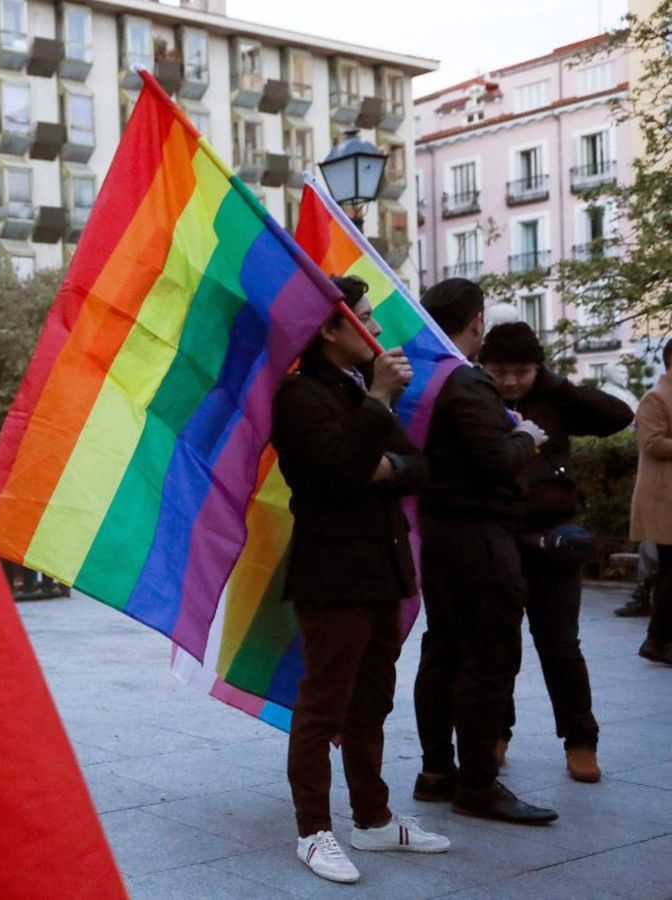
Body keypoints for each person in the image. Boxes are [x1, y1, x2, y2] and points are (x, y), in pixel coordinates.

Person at [272, 276, 451, 884]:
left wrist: (382, 458)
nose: (377, 330)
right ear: (330, 328)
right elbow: (341, 471)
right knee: (322, 705)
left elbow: (418, 466)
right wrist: (377, 405)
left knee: (372, 701)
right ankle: (313, 830)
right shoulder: (300, 397)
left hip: (382, 567)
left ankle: (372, 819)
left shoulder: (355, 392)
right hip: (333, 575)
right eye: (365, 318)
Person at [411, 278, 558, 825]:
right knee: (489, 659)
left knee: (443, 650)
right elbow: (495, 459)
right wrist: (527, 436)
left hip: (438, 535)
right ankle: (477, 781)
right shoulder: (465, 381)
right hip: (479, 538)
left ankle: (435, 771)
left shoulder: (422, 378)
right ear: (477, 322)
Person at [481, 322, 633, 782]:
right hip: (500, 539)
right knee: (498, 647)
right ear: (484, 367)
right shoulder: (475, 402)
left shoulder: (554, 400)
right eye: (500, 371)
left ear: (538, 367)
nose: (510, 381)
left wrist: (555, 383)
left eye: (522, 371)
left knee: (561, 647)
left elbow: (618, 417)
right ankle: (494, 734)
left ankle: (581, 741)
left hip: (554, 542)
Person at [631, 340, 672, 665]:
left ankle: (658, 639)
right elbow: (653, 443)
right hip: (664, 498)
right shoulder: (656, 397)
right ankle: (658, 640)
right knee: (670, 572)